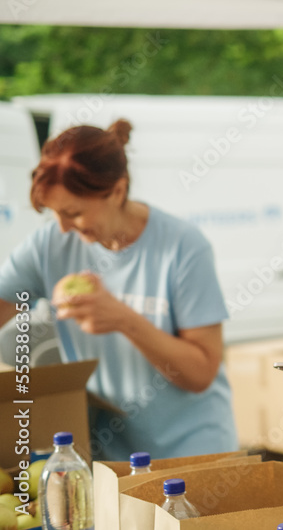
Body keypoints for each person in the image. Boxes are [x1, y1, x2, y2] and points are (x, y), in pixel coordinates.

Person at [0, 120, 238, 461]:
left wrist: (123, 319)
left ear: (117, 191)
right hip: (110, 460)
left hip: (194, 457)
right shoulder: (48, 245)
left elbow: (200, 372)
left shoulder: (183, 248)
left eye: (73, 212)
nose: (63, 228)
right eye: (54, 214)